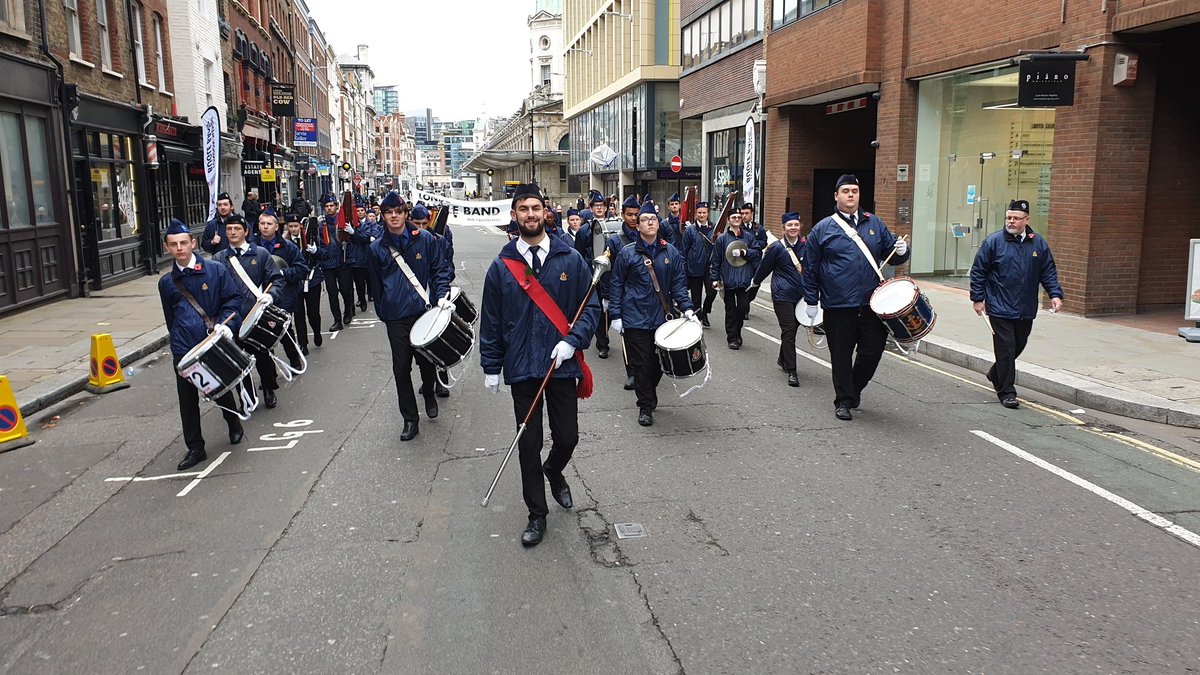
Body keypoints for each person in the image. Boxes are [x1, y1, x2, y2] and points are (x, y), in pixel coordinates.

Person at [479, 183, 600, 547]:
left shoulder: (570, 260)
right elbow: (492, 321)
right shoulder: (502, 268)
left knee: (567, 437)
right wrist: (490, 366)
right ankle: (537, 514)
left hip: (560, 364)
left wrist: (572, 341)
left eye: (535, 208)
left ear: (545, 212)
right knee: (527, 442)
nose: (530, 214)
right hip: (522, 367)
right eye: (523, 209)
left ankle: (554, 470)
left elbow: (590, 308)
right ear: (514, 216)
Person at [801, 174, 909, 421]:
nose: (851, 195)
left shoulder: (875, 223)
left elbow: (892, 253)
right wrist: (810, 300)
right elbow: (811, 268)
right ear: (836, 196)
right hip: (838, 305)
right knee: (840, 356)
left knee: (872, 351)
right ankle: (843, 401)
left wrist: (903, 252)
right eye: (846, 191)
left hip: (872, 303)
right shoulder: (822, 229)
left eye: (855, 191)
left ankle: (854, 389)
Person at [366, 192, 453, 441]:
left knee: (426, 362)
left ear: (405, 214)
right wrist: (385, 311)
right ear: (383, 216)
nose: (394, 216)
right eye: (388, 213)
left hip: (423, 311)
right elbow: (375, 285)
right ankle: (410, 420)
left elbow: (440, 269)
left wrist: (441, 296)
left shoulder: (425, 239)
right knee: (401, 367)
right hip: (396, 318)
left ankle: (428, 393)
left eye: (398, 212)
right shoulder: (377, 248)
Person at [159, 219, 244, 471]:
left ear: (193, 243)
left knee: (218, 387)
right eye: (173, 245)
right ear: (167, 248)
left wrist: (226, 326)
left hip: (211, 341)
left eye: (184, 243)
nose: (179, 248)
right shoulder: (166, 282)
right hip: (184, 348)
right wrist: (178, 339)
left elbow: (233, 299)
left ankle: (234, 422)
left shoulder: (215, 270)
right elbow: (170, 317)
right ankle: (195, 447)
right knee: (186, 398)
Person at [970, 199, 1064, 409]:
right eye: (1008, 217)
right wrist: (978, 298)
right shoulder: (994, 242)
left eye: (1015, 218)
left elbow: (1047, 272)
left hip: (1025, 308)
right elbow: (978, 271)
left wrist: (1055, 294)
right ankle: (1007, 392)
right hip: (999, 307)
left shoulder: (1038, 243)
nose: (1011, 221)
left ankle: (996, 374)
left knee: (1018, 345)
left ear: (1026, 220)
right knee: (1006, 348)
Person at [609, 202, 696, 426]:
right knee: (641, 364)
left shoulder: (671, 251)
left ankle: (649, 391)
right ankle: (645, 406)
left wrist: (686, 307)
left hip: (661, 318)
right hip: (634, 318)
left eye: (653, 219)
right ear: (637, 226)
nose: (650, 222)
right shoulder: (627, 254)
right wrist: (616, 315)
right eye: (645, 220)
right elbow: (616, 284)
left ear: (658, 224)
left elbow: (678, 283)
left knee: (658, 364)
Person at [212, 213, 285, 410]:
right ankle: (248, 396)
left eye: (237, 229)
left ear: (246, 232)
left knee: (263, 355)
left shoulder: (260, 254)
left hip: (256, 315)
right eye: (229, 229)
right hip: (232, 318)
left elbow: (276, 280)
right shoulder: (219, 258)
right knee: (238, 361)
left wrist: (270, 296)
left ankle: (268, 388)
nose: (233, 233)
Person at [752, 212, 807, 387]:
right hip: (782, 295)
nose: (793, 228)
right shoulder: (776, 248)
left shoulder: (807, 246)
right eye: (789, 225)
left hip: (800, 297)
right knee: (789, 330)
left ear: (800, 226)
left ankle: (783, 359)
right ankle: (792, 370)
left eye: (796, 225)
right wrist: (755, 282)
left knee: (792, 330)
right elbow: (764, 267)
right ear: (784, 227)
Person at [255, 209, 309, 370]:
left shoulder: (288, 247)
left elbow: (301, 269)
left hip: (283, 296)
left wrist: (283, 273)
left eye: (269, 224)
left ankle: (294, 360)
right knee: (262, 337)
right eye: (262, 223)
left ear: (276, 227)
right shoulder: (252, 247)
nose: (265, 227)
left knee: (284, 331)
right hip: (259, 298)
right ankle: (269, 377)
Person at [411, 203, 454, 398]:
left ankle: (442, 381)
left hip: (436, 295)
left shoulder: (440, 241)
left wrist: (442, 287)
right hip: (416, 298)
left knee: (440, 339)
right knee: (421, 342)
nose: (420, 227)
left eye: (424, 223)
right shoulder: (407, 242)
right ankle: (428, 379)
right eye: (416, 223)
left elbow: (448, 267)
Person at [602, 195, 643, 390]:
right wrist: (607, 296)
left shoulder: (649, 236)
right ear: (622, 215)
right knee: (628, 336)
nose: (633, 218)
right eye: (630, 215)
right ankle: (632, 372)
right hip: (624, 294)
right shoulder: (615, 241)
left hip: (645, 294)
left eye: (636, 215)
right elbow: (606, 270)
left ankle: (646, 369)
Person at [709, 210, 761, 349]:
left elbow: (757, 253)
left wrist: (746, 253)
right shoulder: (722, 239)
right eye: (734, 217)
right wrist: (715, 278)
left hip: (744, 279)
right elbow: (716, 260)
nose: (737, 219)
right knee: (730, 310)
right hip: (728, 280)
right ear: (728, 220)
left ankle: (737, 332)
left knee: (743, 307)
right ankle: (732, 337)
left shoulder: (748, 237)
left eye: (739, 217)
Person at [283, 213, 324, 353]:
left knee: (313, 313)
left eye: (296, 226)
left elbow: (325, 254)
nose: (294, 229)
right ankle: (303, 343)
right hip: (295, 283)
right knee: (299, 315)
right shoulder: (285, 243)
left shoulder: (311, 238)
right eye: (291, 227)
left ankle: (317, 333)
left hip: (312, 280)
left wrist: (316, 250)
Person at [314, 194, 354, 330]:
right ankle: (337, 320)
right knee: (332, 293)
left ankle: (348, 311)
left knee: (345, 289)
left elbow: (350, 240)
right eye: (326, 206)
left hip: (343, 260)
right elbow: (319, 243)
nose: (329, 208)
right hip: (328, 262)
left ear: (336, 207)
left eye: (331, 206)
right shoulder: (321, 224)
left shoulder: (342, 221)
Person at [679, 201, 718, 327]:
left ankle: (705, 311)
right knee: (696, 298)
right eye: (700, 213)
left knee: (712, 292)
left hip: (710, 268)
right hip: (694, 268)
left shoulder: (714, 228)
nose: (702, 215)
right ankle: (698, 316)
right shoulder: (690, 230)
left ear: (708, 213)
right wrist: (684, 269)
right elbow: (683, 251)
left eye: (704, 213)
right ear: (696, 213)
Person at [347, 199, 381, 313]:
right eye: (358, 210)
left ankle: (373, 297)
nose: (360, 212)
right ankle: (362, 300)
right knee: (359, 283)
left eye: (362, 210)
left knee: (371, 280)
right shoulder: (352, 225)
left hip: (369, 257)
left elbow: (370, 237)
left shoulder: (371, 224)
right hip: (357, 258)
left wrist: (355, 234)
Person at [740, 203, 769, 318]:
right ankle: (744, 309)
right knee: (745, 285)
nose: (744, 216)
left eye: (746, 213)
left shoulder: (758, 228)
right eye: (742, 213)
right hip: (743, 262)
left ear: (752, 214)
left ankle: (747, 301)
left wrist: (755, 246)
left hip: (755, 261)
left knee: (755, 285)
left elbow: (764, 241)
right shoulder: (739, 227)